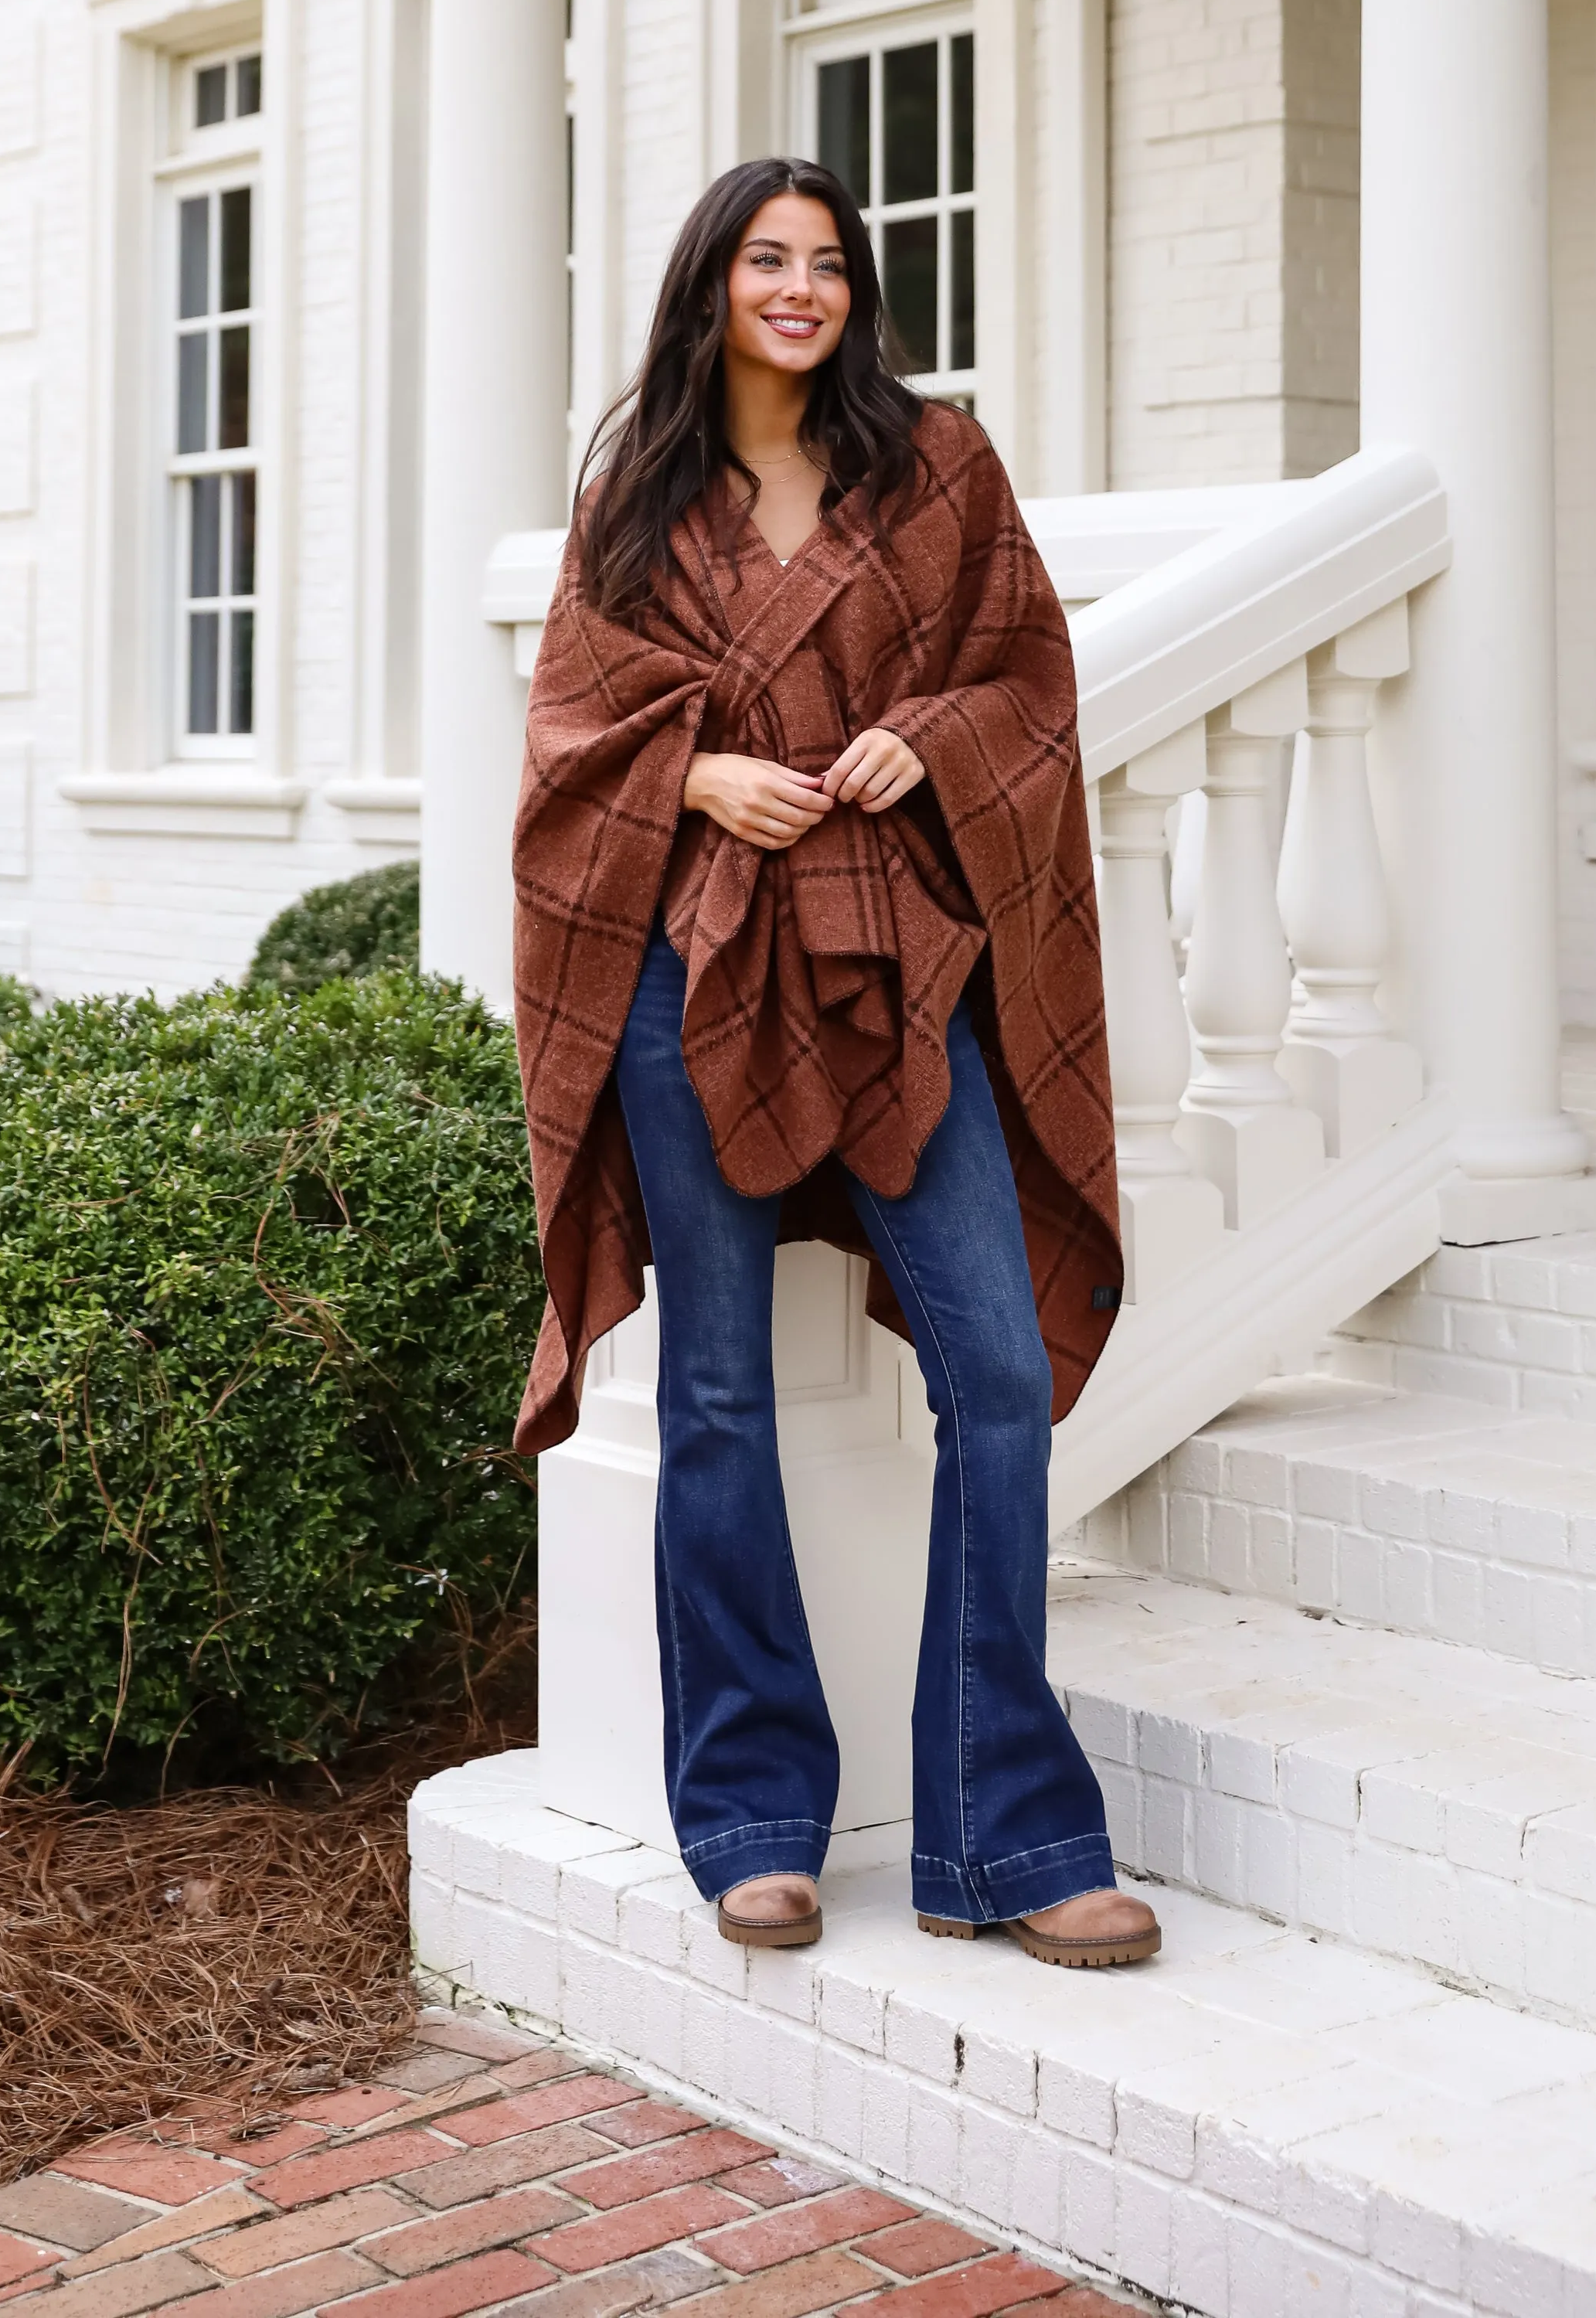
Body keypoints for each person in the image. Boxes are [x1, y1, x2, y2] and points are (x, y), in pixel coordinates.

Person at [510, 155, 1159, 1970]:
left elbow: (1030, 674)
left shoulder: (935, 465)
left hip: (895, 961)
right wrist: (690, 778)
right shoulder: (636, 489)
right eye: (766, 258)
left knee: (1002, 1373)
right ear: (710, 279)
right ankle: (750, 1818)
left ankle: (1008, 1832)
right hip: (688, 966)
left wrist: (927, 738)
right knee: (714, 1393)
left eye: (829, 261)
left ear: (857, 292)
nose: (800, 286)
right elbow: (569, 729)